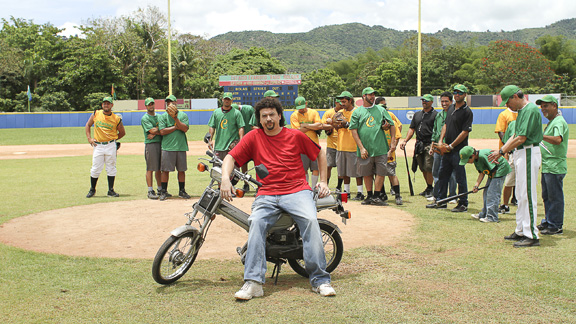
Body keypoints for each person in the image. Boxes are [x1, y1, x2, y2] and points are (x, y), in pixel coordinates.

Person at [220, 97, 336, 300]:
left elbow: (319, 153)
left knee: (310, 221)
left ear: (279, 116)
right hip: (267, 193)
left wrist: (323, 181)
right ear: (259, 119)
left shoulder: (294, 135)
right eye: (263, 116)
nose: (268, 119)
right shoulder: (253, 137)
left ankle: (320, 280)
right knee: (255, 222)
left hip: (297, 190)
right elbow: (230, 157)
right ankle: (254, 283)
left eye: (272, 114)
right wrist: (224, 179)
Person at [488, 85, 542, 248]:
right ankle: (521, 230)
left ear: (515, 97)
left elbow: (522, 138)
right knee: (520, 193)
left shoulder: (530, 109)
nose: (507, 106)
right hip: (520, 153)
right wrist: (501, 150)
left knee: (527, 194)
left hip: (528, 152)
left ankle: (531, 234)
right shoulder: (522, 111)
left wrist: (502, 150)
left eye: (507, 101)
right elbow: (514, 135)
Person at [426, 84, 473, 212]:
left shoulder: (467, 111)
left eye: (460, 92)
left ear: (464, 95)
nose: (457, 94)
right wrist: (441, 141)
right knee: (443, 175)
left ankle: (463, 203)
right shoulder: (451, 108)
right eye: (455, 92)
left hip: (459, 150)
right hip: (446, 149)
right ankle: (441, 201)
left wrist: (452, 146)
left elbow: (465, 132)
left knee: (460, 177)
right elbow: (445, 125)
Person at [350, 87, 396, 206]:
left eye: (373, 94)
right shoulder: (357, 112)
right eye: (369, 95)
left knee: (381, 172)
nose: (372, 97)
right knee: (366, 173)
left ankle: (376, 196)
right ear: (363, 97)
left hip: (380, 148)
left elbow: (391, 125)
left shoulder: (380, 109)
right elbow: (353, 130)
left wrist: (393, 142)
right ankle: (369, 195)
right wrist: (361, 147)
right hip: (365, 149)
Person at [537, 95, 568, 235]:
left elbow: (557, 140)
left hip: (555, 166)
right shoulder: (552, 122)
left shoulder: (558, 122)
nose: (543, 109)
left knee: (554, 197)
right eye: (542, 106)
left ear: (554, 106)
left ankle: (555, 225)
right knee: (547, 195)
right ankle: (549, 221)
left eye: (546, 106)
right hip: (548, 165)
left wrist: (539, 135)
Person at [85, 96, 126, 198]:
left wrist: (113, 140)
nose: (106, 105)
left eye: (108, 103)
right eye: (104, 103)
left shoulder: (116, 118)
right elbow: (88, 125)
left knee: (111, 168)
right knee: (95, 168)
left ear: (111, 105)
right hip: (98, 145)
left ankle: (111, 190)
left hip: (110, 145)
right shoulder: (96, 113)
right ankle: (92, 189)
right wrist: (89, 138)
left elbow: (122, 132)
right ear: (102, 105)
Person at [460, 146, 510, 223]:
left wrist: (492, 185)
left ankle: (492, 217)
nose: (467, 162)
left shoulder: (482, 157)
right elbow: (482, 172)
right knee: (486, 192)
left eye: (467, 160)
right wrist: (476, 185)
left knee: (492, 193)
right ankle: (484, 214)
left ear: (472, 156)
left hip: (500, 170)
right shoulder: (476, 160)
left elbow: (494, 170)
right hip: (493, 172)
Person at [400, 94, 437, 198]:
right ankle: (429, 187)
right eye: (423, 100)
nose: (424, 102)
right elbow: (412, 129)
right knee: (422, 167)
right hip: (419, 144)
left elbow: (438, 130)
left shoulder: (435, 115)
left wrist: (434, 145)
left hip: (430, 143)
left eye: (426, 100)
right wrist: (405, 141)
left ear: (431, 102)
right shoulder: (417, 115)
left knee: (429, 167)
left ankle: (431, 188)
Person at [158, 95, 191, 201]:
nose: (170, 104)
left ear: (176, 102)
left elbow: (185, 128)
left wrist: (175, 118)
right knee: (165, 170)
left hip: (180, 146)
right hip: (167, 147)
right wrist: (176, 127)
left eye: (172, 102)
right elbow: (162, 131)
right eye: (168, 102)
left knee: (181, 170)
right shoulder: (163, 116)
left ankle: (182, 191)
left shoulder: (183, 115)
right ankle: (163, 191)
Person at [334, 91, 365, 200]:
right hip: (341, 146)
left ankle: (360, 192)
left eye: (344, 101)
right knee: (344, 171)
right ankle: (346, 191)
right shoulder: (340, 112)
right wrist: (336, 124)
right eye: (341, 102)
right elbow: (336, 127)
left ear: (350, 101)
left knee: (357, 172)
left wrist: (346, 123)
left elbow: (359, 126)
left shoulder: (357, 111)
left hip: (353, 146)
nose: (342, 104)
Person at [428, 92, 457, 204]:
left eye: (446, 101)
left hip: (449, 148)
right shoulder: (439, 115)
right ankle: (437, 194)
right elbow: (435, 132)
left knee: (451, 173)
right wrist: (432, 147)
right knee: (436, 172)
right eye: (442, 101)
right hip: (438, 148)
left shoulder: (454, 114)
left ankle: (452, 196)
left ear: (451, 101)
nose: (444, 103)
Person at [290, 96, 322, 188]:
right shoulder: (294, 115)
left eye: (302, 107)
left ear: (306, 103)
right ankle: (306, 187)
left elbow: (319, 125)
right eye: (299, 108)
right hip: (301, 146)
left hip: (314, 144)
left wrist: (305, 125)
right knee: (303, 169)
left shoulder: (313, 112)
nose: (301, 110)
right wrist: (312, 126)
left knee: (315, 168)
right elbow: (297, 131)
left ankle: (313, 188)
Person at [375, 97, 403, 205]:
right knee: (378, 174)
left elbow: (396, 136)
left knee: (391, 173)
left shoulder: (391, 120)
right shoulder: (374, 119)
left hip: (388, 152)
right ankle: (382, 194)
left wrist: (392, 149)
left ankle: (397, 195)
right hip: (378, 152)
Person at [494, 103, 518, 213]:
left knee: (519, 179)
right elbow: (501, 132)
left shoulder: (524, 116)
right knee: (508, 178)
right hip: (508, 151)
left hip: (519, 152)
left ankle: (516, 198)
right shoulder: (504, 115)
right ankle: (504, 203)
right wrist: (506, 148)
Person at [208, 93, 245, 161]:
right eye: (225, 99)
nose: (227, 101)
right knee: (217, 169)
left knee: (233, 169)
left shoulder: (236, 113)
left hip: (232, 147)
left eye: (228, 99)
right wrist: (210, 140)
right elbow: (212, 126)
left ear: (232, 100)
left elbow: (241, 127)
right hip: (219, 146)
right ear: (222, 99)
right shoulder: (216, 112)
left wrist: (241, 140)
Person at [141, 97, 162, 199]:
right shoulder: (145, 118)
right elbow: (152, 131)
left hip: (160, 143)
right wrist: (157, 132)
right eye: (149, 104)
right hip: (151, 144)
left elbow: (161, 129)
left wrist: (156, 132)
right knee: (150, 168)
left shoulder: (159, 117)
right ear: (146, 106)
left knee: (159, 168)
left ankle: (160, 189)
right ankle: (150, 190)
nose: (151, 106)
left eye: (152, 104)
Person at [321, 99, 342, 186]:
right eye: (340, 103)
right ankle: (326, 184)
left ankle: (339, 186)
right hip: (331, 144)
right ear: (336, 103)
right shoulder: (329, 112)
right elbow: (322, 125)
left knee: (341, 168)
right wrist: (330, 124)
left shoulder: (344, 112)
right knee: (328, 166)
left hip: (342, 144)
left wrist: (333, 123)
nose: (342, 105)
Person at [236, 103, 255, 192]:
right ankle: (246, 184)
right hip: (243, 142)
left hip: (254, 140)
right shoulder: (233, 114)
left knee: (259, 164)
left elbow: (254, 122)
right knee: (243, 163)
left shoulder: (249, 109)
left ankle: (260, 185)